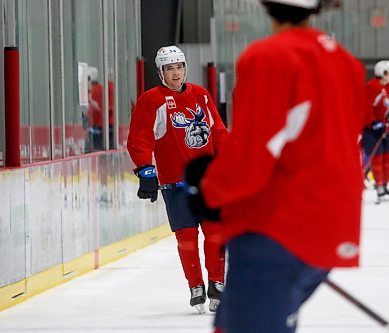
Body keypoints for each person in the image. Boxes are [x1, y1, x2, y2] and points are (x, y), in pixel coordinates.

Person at [183, 1, 366, 332]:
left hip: (278, 228)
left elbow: (255, 150)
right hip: (332, 228)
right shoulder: (345, 61)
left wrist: (210, 191)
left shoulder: (269, 57)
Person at [127, 45, 228, 314]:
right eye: (170, 68)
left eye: (179, 67)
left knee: (216, 233)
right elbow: (140, 138)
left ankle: (217, 282)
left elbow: (218, 132)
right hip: (175, 183)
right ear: (161, 73)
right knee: (186, 236)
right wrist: (146, 170)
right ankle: (195, 285)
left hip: (208, 182)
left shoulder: (202, 95)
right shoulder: (152, 100)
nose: (176, 73)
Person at [362, 60, 389, 202]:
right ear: (383, 73)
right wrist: (373, 123)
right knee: (377, 157)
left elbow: (388, 106)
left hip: (385, 127)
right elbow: (366, 107)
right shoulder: (371, 87)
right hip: (371, 128)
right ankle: (379, 187)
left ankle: (385, 185)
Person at [86, 66, 115, 151]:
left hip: (97, 127)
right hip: (104, 126)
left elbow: (98, 108)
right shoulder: (102, 88)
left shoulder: (95, 90)